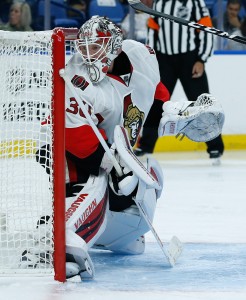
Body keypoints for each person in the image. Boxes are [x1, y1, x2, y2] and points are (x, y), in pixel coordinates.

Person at [22, 16, 224, 280]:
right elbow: (75, 137)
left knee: (151, 178)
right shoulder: (76, 78)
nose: (86, 55)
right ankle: (55, 242)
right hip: (63, 146)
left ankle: (120, 236)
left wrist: (177, 113)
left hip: (106, 146)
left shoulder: (140, 56)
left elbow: (154, 96)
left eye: (94, 47)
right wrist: (111, 165)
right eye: (82, 47)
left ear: (115, 46)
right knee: (96, 182)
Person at [134, 0, 225, 164]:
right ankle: (146, 146)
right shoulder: (159, 3)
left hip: (189, 59)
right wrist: (152, 60)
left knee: (202, 103)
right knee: (156, 102)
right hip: (164, 60)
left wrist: (201, 59)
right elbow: (153, 31)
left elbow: (206, 29)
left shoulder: (195, 3)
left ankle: (215, 147)